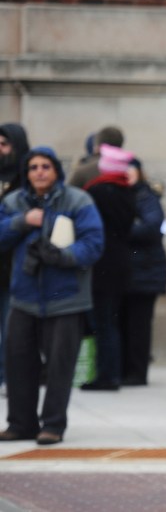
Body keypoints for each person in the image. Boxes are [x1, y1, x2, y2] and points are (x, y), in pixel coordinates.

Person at [0, 147, 104, 444]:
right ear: (26, 173)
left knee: (60, 367)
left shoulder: (78, 201)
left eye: (46, 166)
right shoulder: (13, 202)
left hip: (65, 298)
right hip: (23, 296)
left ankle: (53, 425)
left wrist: (63, 256)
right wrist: (22, 221)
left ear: (56, 170)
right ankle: (20, 423)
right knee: (18, 362)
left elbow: (94, 243)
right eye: (33, 167)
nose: (40, 172)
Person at [81, 145, 137, 391]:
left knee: (103, 322)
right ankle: (112, 372)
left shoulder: (96, 191)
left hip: (102, 264)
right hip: (121, 263)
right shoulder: (128, 192)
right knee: (111, 321)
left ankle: (107, 375)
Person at [119, 158, 166, 386]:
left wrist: (121, 229)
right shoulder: (120, 195)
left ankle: (137, 372)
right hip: (128, 272)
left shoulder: (146, 197)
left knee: (139, 325)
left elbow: (151, 226)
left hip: (145, 273)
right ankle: (124, 369)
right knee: (123, 323)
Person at [0, 123, 29, 393]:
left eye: (4, 145)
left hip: (15, 268)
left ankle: (10, 376)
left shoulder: (26, 180)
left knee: (11, 330)